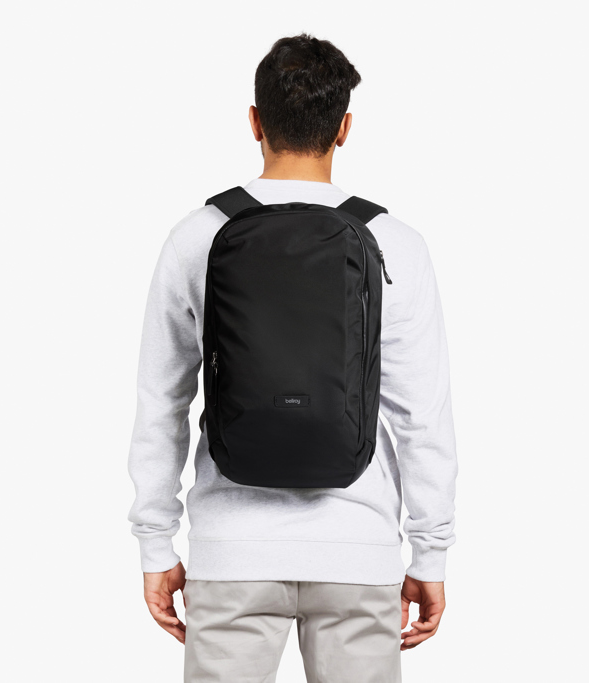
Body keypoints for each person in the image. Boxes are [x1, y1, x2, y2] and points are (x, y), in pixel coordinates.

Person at [127, 33, 458, 683]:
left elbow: (161, 401)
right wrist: (431, 552)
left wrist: (155, 541)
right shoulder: (394, 241)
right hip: (358, 549)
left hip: (232, 551)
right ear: (345, 128)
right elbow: (423, 416)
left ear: (255, 122)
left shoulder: (197, 235)